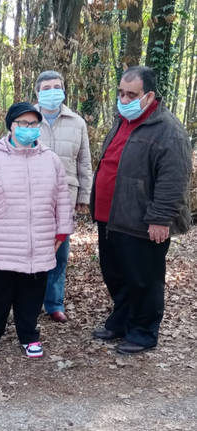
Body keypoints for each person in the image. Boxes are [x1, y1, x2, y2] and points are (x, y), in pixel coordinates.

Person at [90, 66, 192, 354]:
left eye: (131, 94)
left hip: (141, 219)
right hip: (110, 216)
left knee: (144, 278)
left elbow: (174, 179)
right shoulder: (122, 120)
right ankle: (121, 320)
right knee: (115, 273)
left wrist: (160, 218)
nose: (124, 99)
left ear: (148, 96)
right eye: (121, 93)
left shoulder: (168, 129)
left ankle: (144, 331)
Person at [0, 102, 73, 358]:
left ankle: (28, 336)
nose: (28, 128)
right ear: (11, 126)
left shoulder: (50, 159)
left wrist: (62, 231)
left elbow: (62, 196)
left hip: (39, 240)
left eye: (33, 124)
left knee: (32, 294)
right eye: (23, 123)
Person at [34, 70, 93, 323]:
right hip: (31, 196)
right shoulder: (27, 119)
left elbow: (85, 162)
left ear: (64, 89)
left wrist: (84, 196)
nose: (51, 92)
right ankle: (30, 300)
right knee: (32, 250)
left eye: (56, 86)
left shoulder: (77, 122)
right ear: (37, 92)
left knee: (59, 253)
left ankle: (54, 303)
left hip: (65, 197)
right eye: (46, 88)